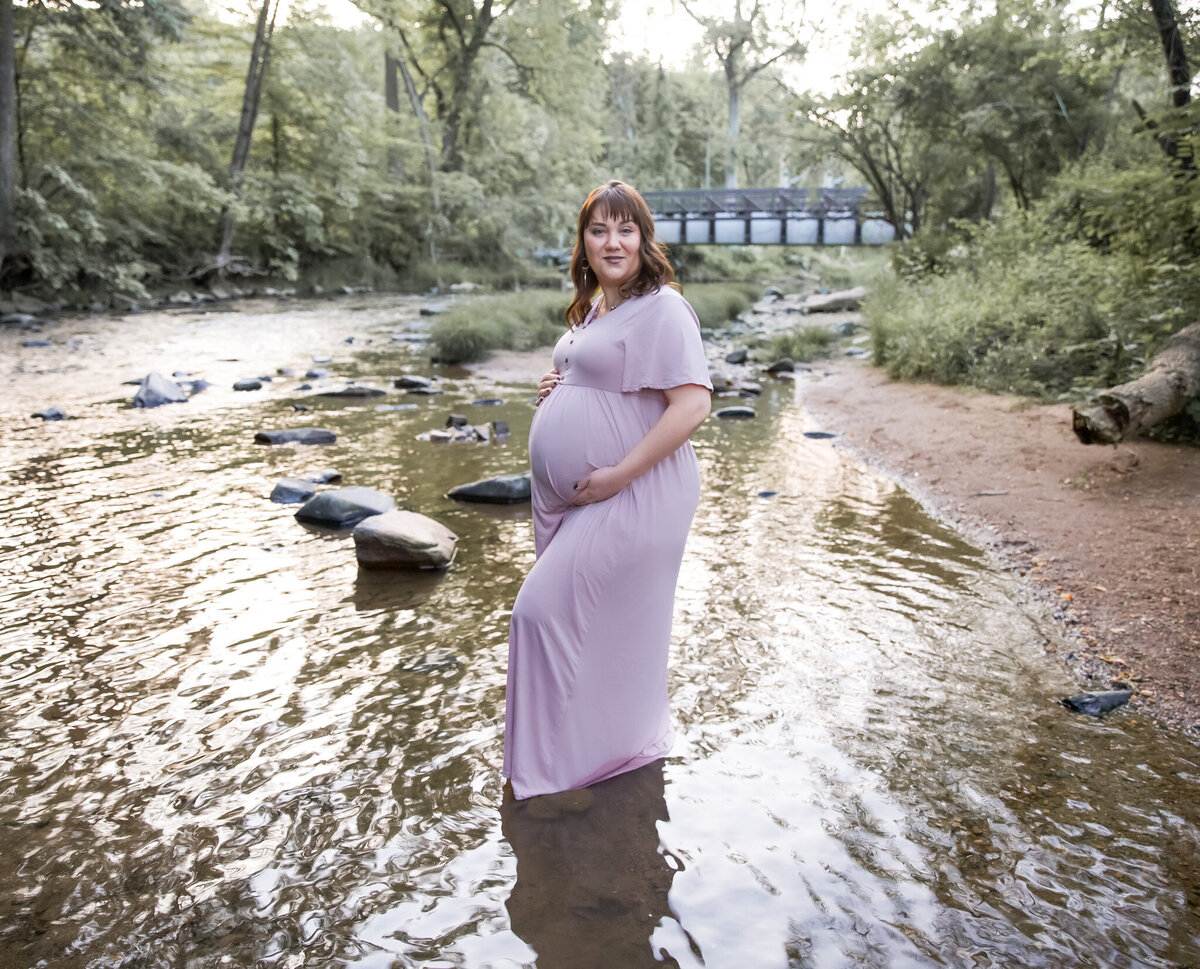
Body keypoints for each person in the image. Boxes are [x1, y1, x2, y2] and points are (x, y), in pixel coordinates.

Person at [502, 180, 713, 800]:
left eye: (625, 229)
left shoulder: (665, 308)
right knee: (600, 623)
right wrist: (558, 384)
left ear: (645, 240)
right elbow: (608, 378)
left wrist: (619, 474)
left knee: (537, 613)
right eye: (599, 231)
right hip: (593, 493)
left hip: (637, 490)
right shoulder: (597, 309)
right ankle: (598, 748)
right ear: (584, 243)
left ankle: (556, 771)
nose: (612, 241)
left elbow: (692, 404)